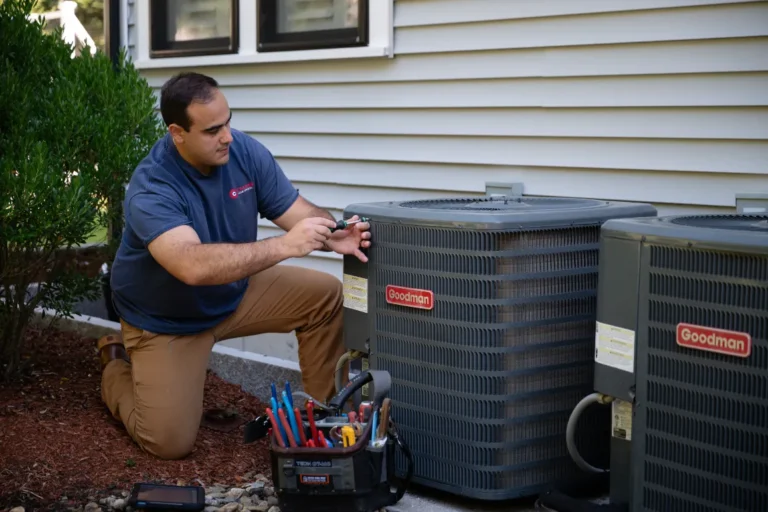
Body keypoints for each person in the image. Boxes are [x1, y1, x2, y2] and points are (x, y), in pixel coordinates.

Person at [97, 72, 371, 460]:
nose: (227, 135)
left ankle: (325, 417)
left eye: (228, 122)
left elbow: (294, 211)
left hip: (234, 293)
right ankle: (115, 366)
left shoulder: (242, 150)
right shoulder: (152, 187)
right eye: (212, 130)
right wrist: (285, 246)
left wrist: (333, 233)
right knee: (168, 442)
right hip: (167, 320)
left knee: (324, 296)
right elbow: (191, 267)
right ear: (178, 133)